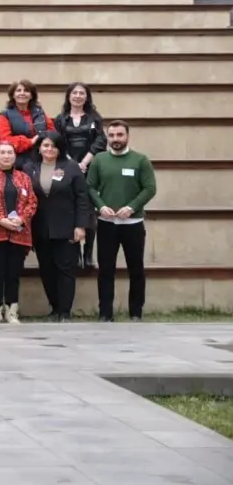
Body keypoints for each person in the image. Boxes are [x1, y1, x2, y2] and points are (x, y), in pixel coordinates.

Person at [88, 120, 157, 322]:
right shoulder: (99, 160)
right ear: (107, 137)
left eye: (120, 135)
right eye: (112, 135)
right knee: (105, 270)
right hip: (106, 224)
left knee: (136, 269)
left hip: (133, 225)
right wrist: (100, 206)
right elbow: (90, 187)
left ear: (127, 136)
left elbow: (150, 188)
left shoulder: (140, 160)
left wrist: (131, 207)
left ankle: (136, 312)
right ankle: (105, 313)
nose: (115, 139)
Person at [25, 132, 90, 322]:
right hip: (40, 229)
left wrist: (81, 225)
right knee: (46, 269)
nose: (49, 149)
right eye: (45, 145)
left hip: (66, 228)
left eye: (53, 146)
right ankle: (54, 308)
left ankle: (65, 311)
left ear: (60, 148)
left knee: (66, 270)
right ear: (39, 148)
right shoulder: (30, 168)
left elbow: (82, 198)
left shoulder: (70, 167)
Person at [0, 142, 38, 325]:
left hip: (19, 233)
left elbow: (32, 202)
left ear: (15, 156)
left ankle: (12, 311)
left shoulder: (24, 178)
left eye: (9, 153)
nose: (6, 156)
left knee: (13, 274)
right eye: (2, 153)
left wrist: (21, 219)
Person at [55, 82, 106, 270]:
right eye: (74, 93)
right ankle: (75, 254)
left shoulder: (94, 118)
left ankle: (89, 255)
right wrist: (72, 164)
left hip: (91, 168)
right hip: (69, 168)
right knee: (72, 209)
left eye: (81, 93)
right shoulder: (61, 119)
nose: (77, 96)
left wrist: (84, 162)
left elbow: (101, 141)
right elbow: (57, 142)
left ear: (87, 97)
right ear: (69, 96)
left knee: (90, 211)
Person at [0, 79, 54, 168]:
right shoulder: (5, 116)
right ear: (13, 95)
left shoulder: (41, 113)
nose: (22, 93)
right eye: (18, 90)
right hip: (16, 164)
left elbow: (52, 134)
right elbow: (5, 141)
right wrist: (30, 142)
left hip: (41, 162)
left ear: (31, 96)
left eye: (26, 91)